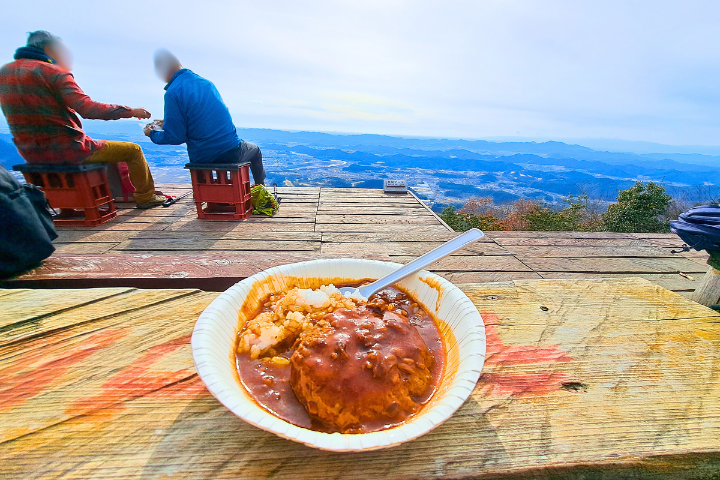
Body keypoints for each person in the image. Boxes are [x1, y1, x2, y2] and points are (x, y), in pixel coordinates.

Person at [0, 31, 167, 208]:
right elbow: (88, 109)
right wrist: (131, 111)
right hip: (70, 149)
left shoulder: (4, 73)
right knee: (133, 150)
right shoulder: (53, 72)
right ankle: (146, 198)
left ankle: (68, 206)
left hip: (31, 154)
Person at [145, 49, 266, 185]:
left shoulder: (172, 92)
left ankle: (207, 196)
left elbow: (176, 137)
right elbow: (206, 117)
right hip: (232, 150)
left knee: (198, 159)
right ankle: (260, 188)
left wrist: (152, 133)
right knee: (255, 151)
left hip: (202, 156)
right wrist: (167, 122)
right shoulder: (207, 84)